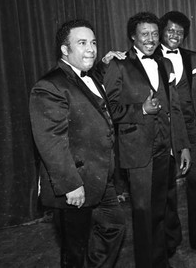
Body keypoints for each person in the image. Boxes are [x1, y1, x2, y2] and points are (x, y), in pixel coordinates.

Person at [29, 19, 125, 267]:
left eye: (93, 42)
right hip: (75, 184)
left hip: (100, 178)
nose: (91, 48)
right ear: (64, 49)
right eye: (82, 43)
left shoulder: (88, 78)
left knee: (114, 226)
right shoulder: (50, 85)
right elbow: (50, 141)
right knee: (74, 252)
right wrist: (71, 186)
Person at [104, 11, 191, 268]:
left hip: (165, 148)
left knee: (160, 209)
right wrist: (140, 110)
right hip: (138, 151)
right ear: (133, 36)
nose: (151, 39)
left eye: (155, 34)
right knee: (143, 214)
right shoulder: (117, 65)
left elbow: (174, 108)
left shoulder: (165, 64)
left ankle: (160, 260)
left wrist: (183, 145)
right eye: (145, 34)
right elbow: (108, 109)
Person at [155, 11, 196, 261]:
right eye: (170, 30)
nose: (175, 36)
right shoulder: (150, 57)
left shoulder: (192, 58)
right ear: (161, 31)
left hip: (192, 129)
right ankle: (171, 241)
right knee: (168, 190)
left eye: (180, 32)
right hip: (165, 132)